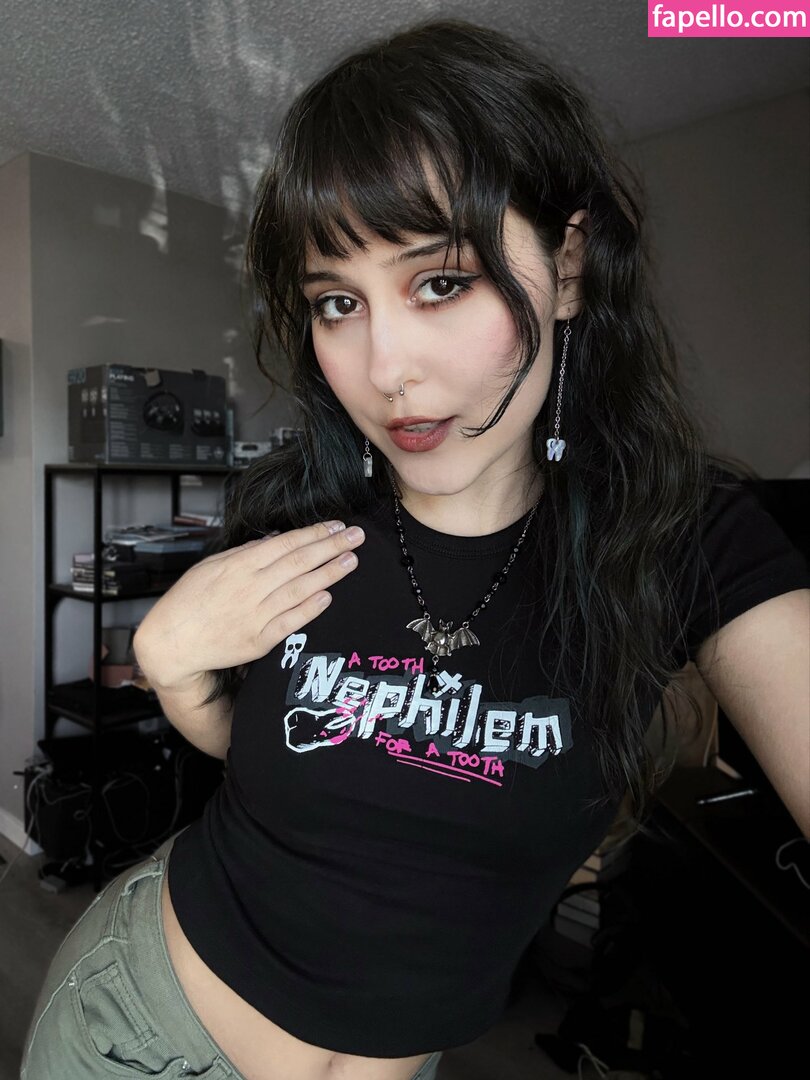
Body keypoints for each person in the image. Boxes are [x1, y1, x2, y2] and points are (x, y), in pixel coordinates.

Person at [20, 16, 809, 1080]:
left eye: (441, 281)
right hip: (134, 1030)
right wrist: (170, 670)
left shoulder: (680, 536)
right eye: (337, 303)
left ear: (569, 266)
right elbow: (278, 761)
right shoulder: (296, 515)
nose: (385, 369)